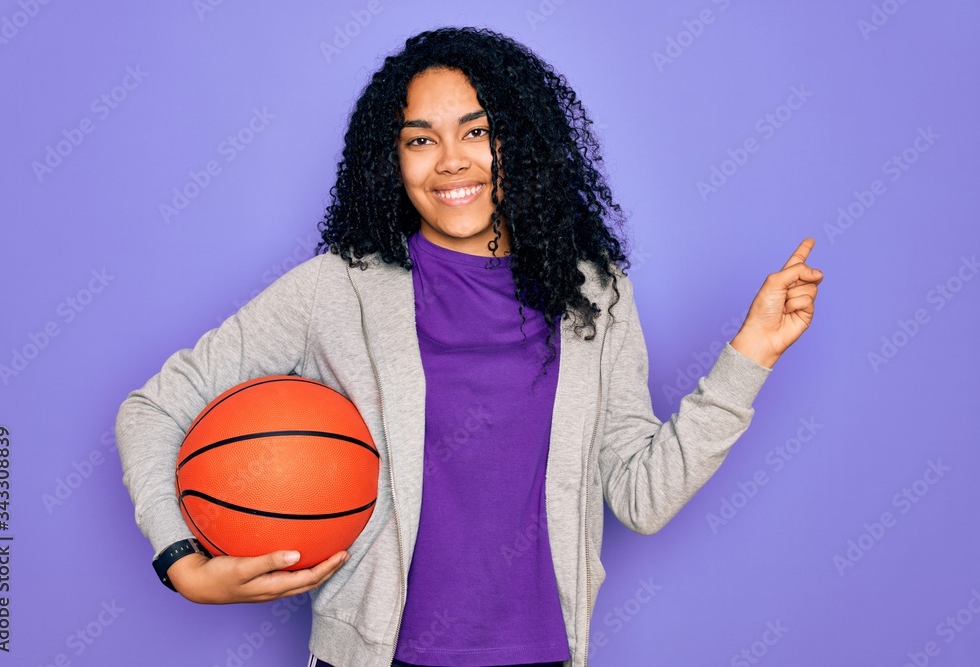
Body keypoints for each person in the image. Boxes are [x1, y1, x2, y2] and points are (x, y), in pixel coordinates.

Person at [115, 26, 823, 667]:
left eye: (477, 132)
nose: (451, 162)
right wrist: (181, 558)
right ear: (391, 160)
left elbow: (641, 495)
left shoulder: (594, 293)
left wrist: (749, 355)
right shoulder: (336, 290)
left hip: (544, 655)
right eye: (420, 139)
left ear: (518, 139)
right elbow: (152, 407)